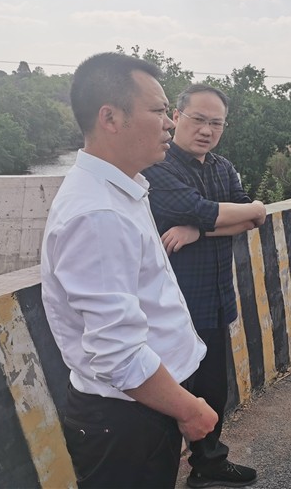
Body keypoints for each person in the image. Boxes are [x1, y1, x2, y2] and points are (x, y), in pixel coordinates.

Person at [40, 52, 218, 488]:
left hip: (142, 405)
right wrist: (189, 409)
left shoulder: (120, 190)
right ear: (110, 118)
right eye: (158, 111)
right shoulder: (98, 213)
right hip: (127, 416)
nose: (170, 124)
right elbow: (118, 353)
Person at [143, 83, 266, 488]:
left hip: (215, 302)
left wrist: (198, 230)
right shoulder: (159, 166)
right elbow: (202, 209)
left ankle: (208, 464)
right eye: (198, 119)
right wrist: (245, 210)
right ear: (177, 117)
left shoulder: (222, 166)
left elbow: (249, 217)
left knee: (213, 391)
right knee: (171, 400)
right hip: (173, 312)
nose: (206, 130)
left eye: (216, 123)